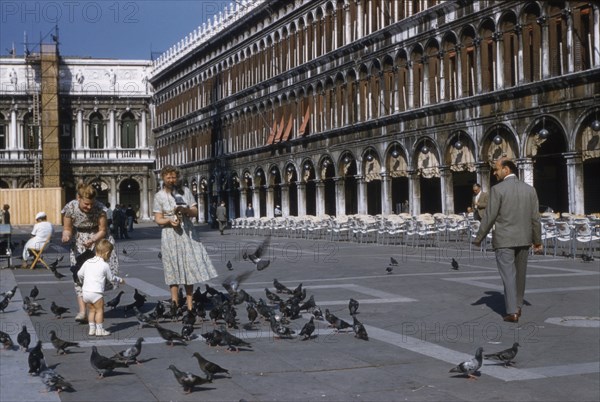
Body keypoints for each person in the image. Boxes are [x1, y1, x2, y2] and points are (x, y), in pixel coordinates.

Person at [473, 158, 542, 323]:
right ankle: (517, 306)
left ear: (506, 170)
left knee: (509, 276)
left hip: (504, 239)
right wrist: (537, 240)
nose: (494, 173)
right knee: (520, 275)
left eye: (496, 169)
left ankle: (512, 312)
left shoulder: (497, 190)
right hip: (524, 239)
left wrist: (479, 237)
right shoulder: (530, 190)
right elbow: (535, 218)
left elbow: (490, 216)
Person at [153, 165, 217, 311]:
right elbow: (158, 219)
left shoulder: (186, 192)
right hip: (169, 235)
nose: (171, 179)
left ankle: (190, 305)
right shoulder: (159, 196)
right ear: (163, 178)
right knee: (172, 268)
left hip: (187, 234)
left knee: (189, 268)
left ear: (177, 178)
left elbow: (195, 211)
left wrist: (185, 210)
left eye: (173, 177)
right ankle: (175, 304)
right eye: (168, 177)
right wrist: (169, 221)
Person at [61, 183, 119, 323]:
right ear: (78, 198)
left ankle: (96, 308)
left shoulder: (99, 208)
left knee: (98, 276)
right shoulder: (70, 207)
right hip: (80, 240)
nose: (89, 207)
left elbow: (103, 230)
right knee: (79, 275)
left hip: (98, 241)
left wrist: (93, 240)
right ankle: (82, 312)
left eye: (91, 204)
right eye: (86, 204)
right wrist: (66, 236)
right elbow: (67, 228)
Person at [77, 239, 124, 336]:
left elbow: (79, 274)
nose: (109, 257)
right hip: (96, 293)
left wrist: (82, 281)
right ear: (106, 253)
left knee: (91, 310)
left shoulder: (88, 262)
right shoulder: (104, 265)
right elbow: (111, 278)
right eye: (110, 255)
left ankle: (92, 329)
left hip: (86, 293)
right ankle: (100, 330)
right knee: (99, 311)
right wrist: (120, 280)